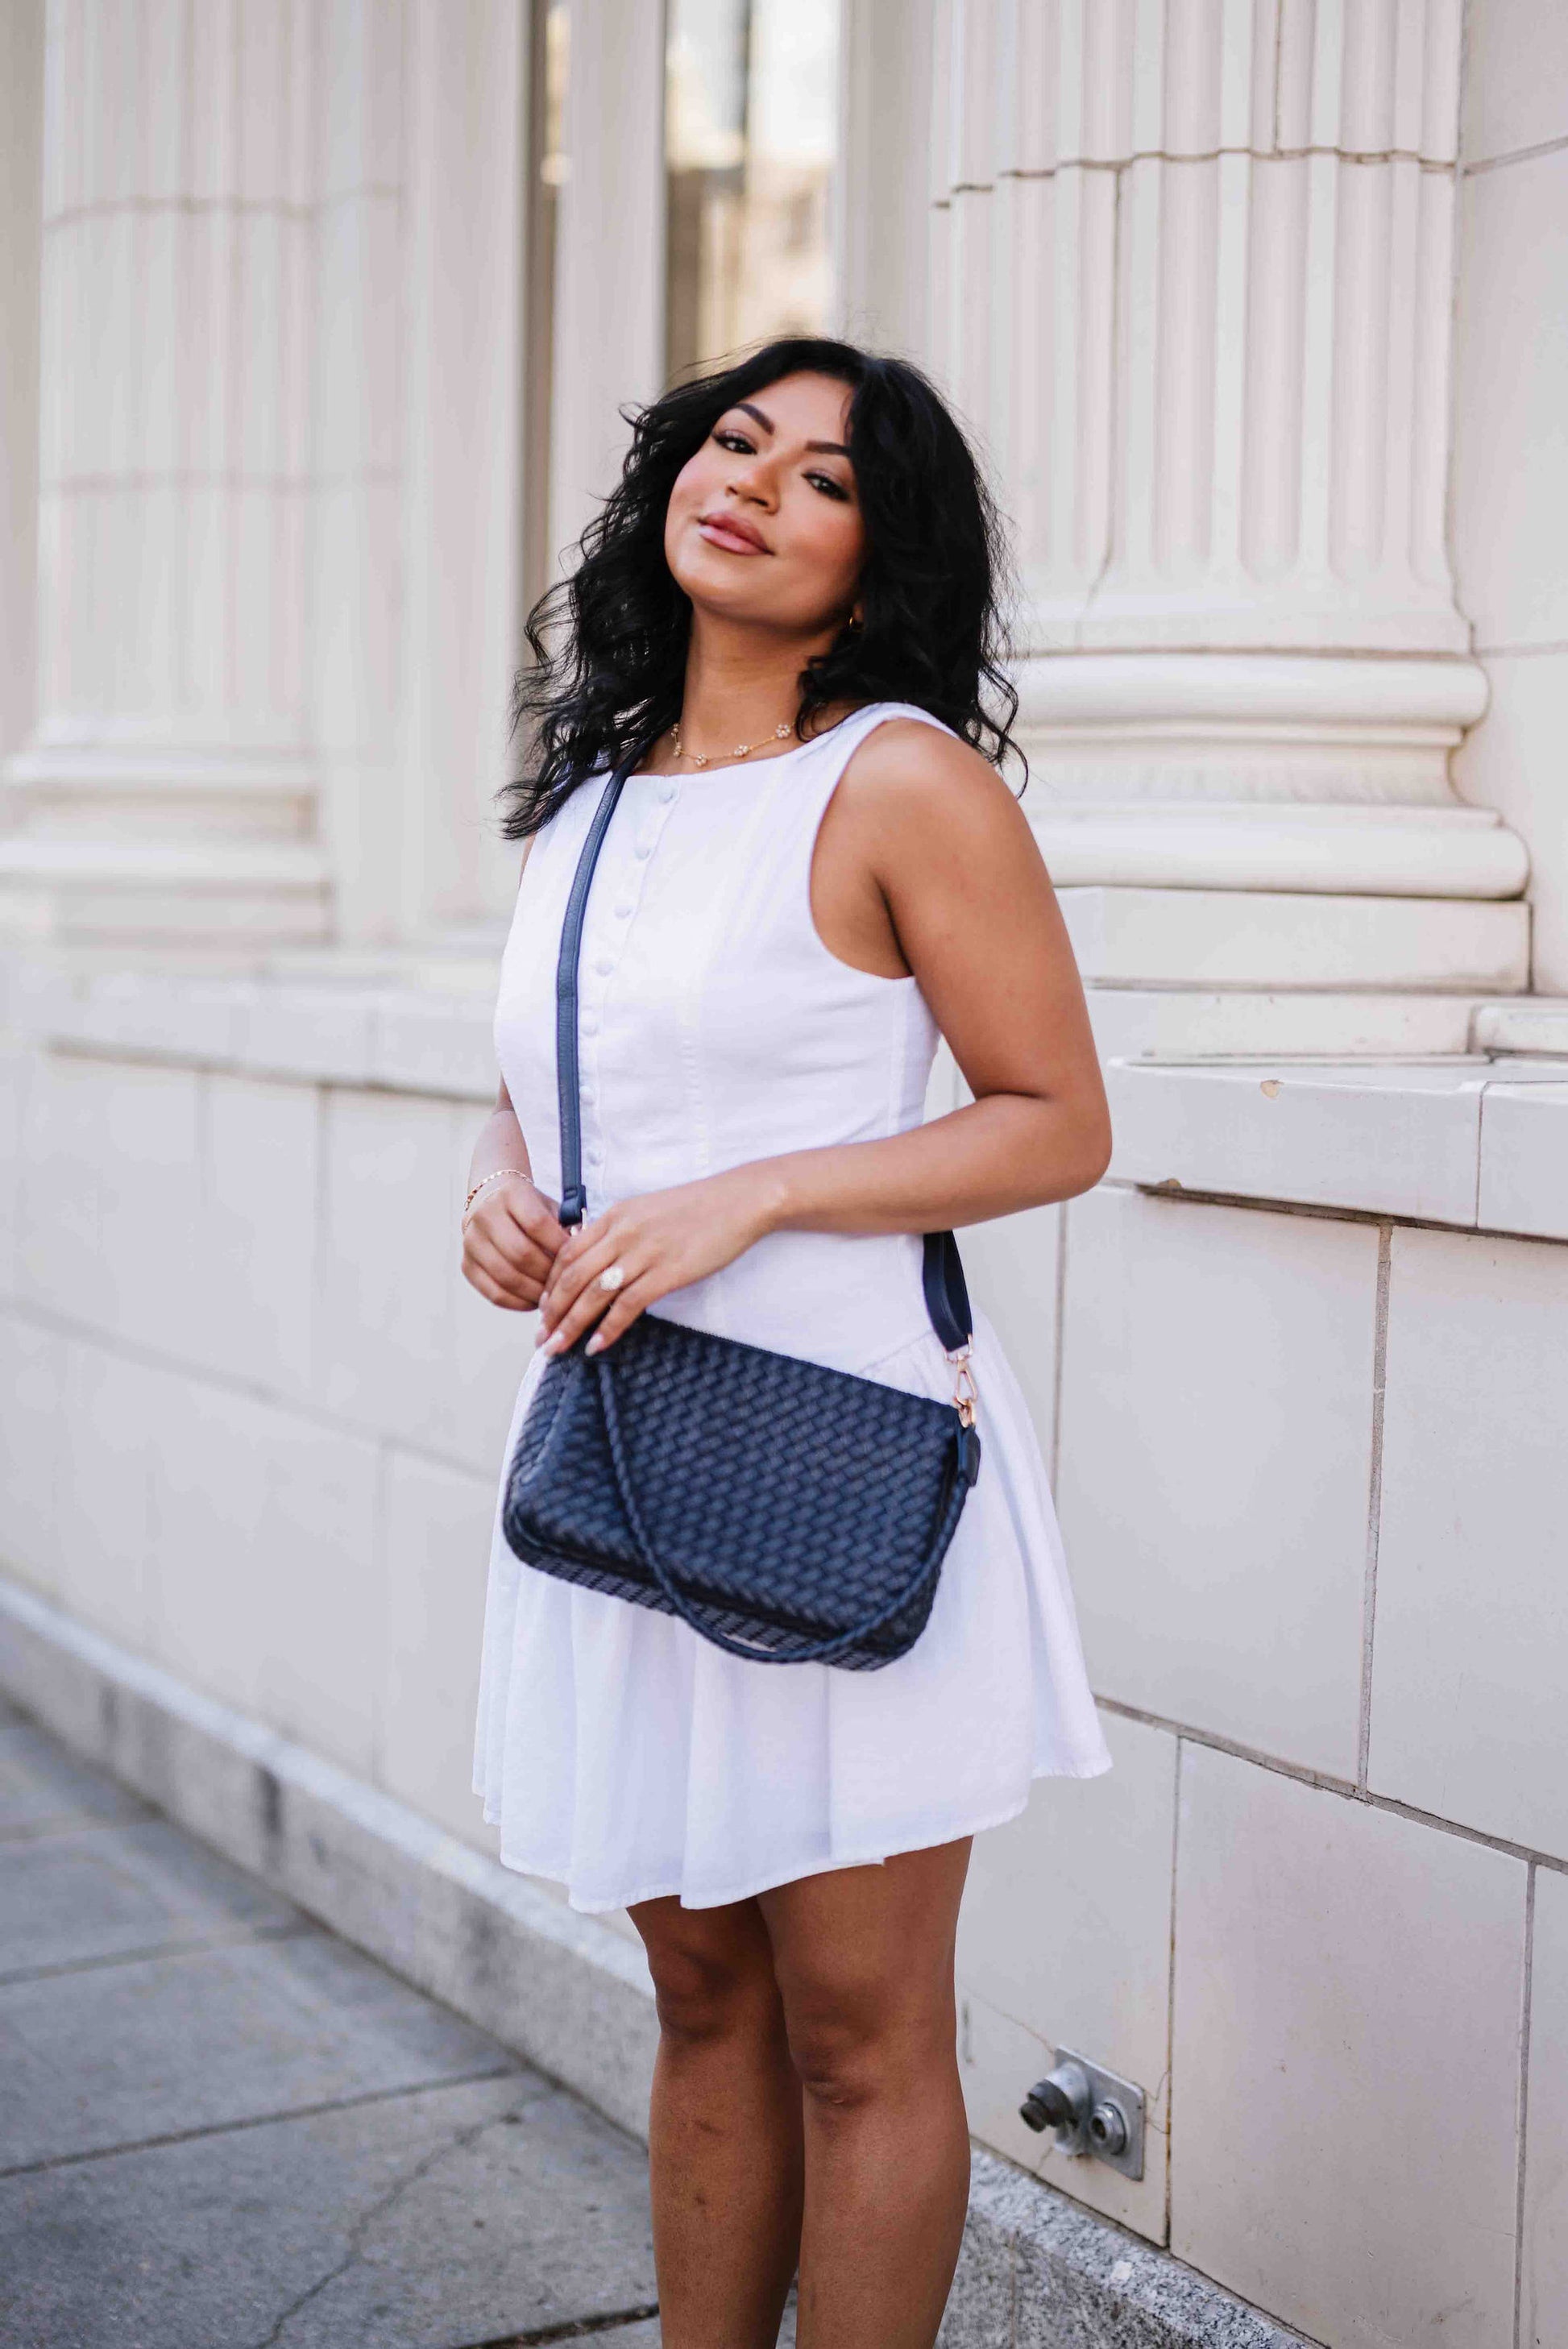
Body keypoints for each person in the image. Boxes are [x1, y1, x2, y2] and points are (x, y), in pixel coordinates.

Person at [463, 338, 1112, 2349]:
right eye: (732, 442)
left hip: (839, 1466)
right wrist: (502, 1170)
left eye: (820, 476)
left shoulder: (898, 777)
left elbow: (1055, 1123)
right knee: (699, 1997)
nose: (751, 484)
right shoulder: (589, 790)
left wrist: (751, 1195)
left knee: (857, 2028)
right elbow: (577, 1073)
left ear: (875, 550)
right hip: (628, 1452)